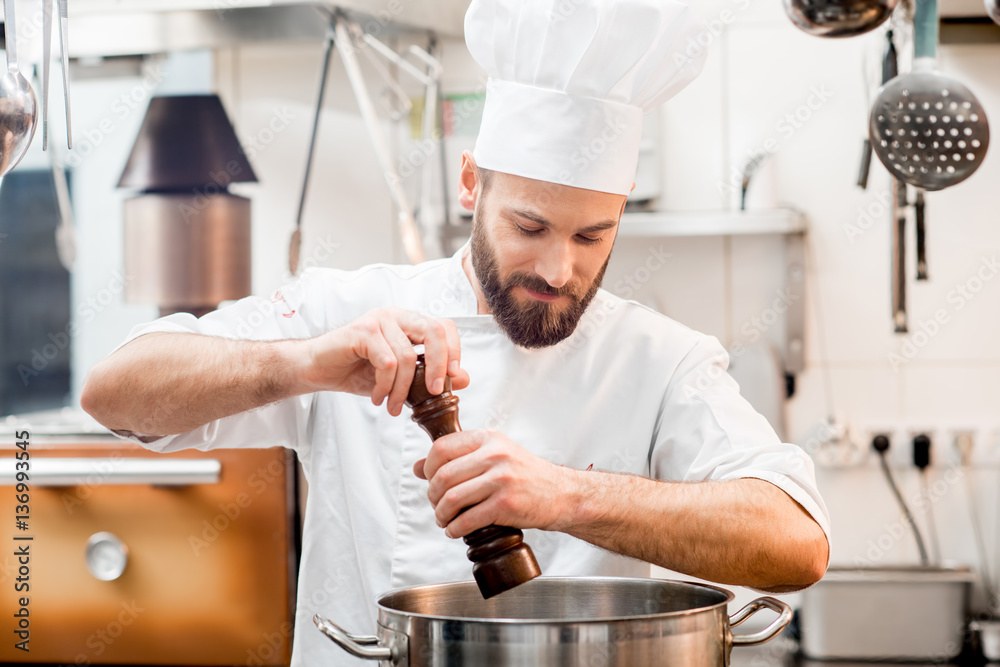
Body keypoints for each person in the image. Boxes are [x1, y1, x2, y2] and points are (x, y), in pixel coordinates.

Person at [82, 0, 830, 664]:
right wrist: (305, 361)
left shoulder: (662, 360)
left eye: (593, 235)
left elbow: (797, 541)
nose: (559, 268)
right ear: (472, 184)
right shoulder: (352, 311)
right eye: (529, 225)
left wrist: (566, 496)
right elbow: (113, 393)